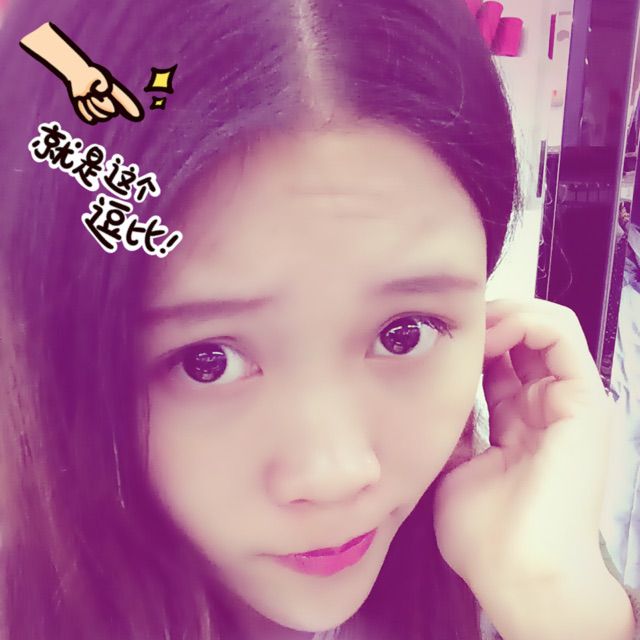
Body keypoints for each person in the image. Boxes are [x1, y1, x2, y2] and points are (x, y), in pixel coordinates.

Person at [0, 1, 637, 639]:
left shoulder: (524, 563)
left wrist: (554, 601)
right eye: (207, 361)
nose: (336, 476)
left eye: (404, 333)